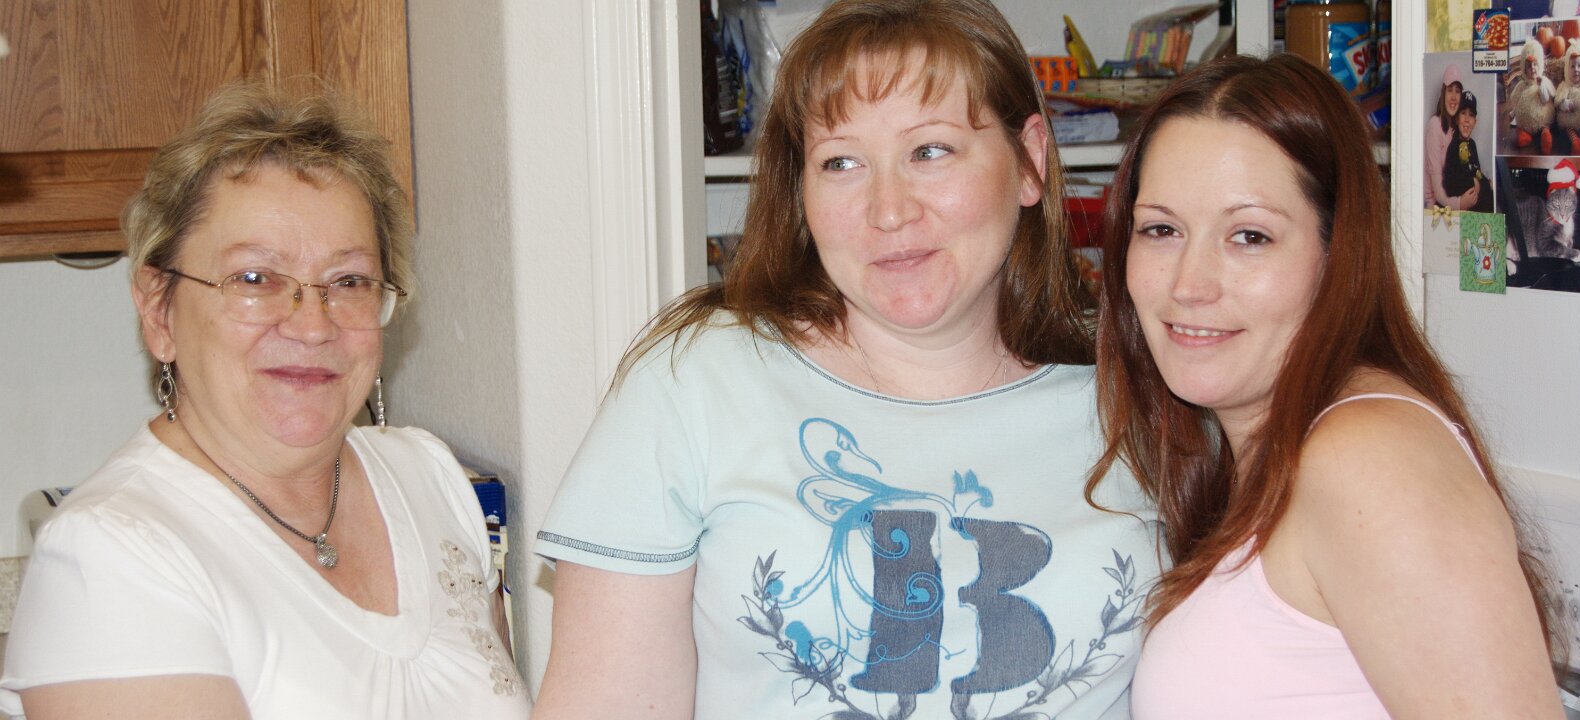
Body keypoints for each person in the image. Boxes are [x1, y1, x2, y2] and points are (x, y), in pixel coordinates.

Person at [531, 1, 1159, 718]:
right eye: (842, 162)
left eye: (931, 151)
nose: (889, 210)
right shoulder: (697, 383)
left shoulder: (1141, 406)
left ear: (1028, 161)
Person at [0, 83, 531, 719]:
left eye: (348, 281)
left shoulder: (430, 477)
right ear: (159, 310)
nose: (312, 325)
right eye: (255, 278)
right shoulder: (110, 555)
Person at [1087, 54, 1562, 717]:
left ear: (1337, 256)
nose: (1189, 284)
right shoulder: (1273, 449)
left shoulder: (1367, 459)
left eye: (1249, 236)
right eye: (1161, 230)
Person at [1425, 62, 1481, 210]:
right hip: (1436, 206)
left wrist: (1478, 182)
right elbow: (1437, 190)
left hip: (1454, 200)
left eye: (1458, 91)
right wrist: (1460, 203)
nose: (1454, 97)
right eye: (1450, 90)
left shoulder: (1457, 130)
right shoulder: (1434, 125)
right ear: (1443, 93)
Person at [1443, 90, 1495, 213]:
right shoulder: (1453, 146)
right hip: (1463, 204)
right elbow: (1450, 182)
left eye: (1471, 115)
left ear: (1475, 122)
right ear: (1456, 119)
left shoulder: (1472, 144)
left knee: (1493, 193)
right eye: (1463, 113)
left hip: (1477, 198)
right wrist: (1473, 182)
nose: (1467, 119)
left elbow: (1476, 171)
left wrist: (1485, 182)